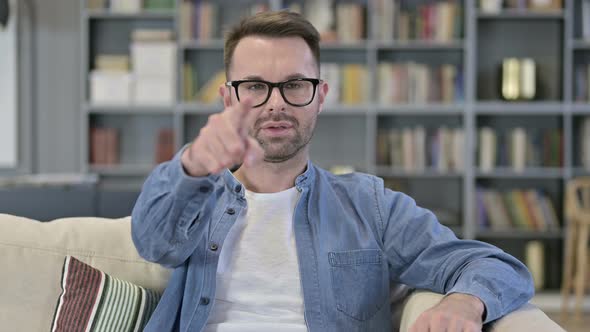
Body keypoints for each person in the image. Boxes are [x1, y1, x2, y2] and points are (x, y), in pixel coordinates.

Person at [131, 10, 534, 332]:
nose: (275, 104)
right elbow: (152, 242)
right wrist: (194, 165)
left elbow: (496, 267)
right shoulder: (196, 197)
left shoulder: (370, 206)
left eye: (295, 84)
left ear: (320, 96)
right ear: (227, 98)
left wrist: (465, 302)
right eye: (254, 86)